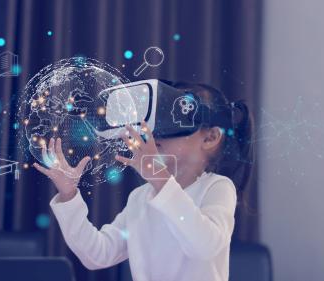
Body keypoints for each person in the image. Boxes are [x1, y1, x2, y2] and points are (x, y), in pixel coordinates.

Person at [33, 82, 254, 281]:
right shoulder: (141, 197)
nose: (156, 133)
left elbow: (204, 246)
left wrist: (160, 180)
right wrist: (69, 195)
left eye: (176, 120)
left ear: (210, 137)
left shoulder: (217, 187)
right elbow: (97, 255)